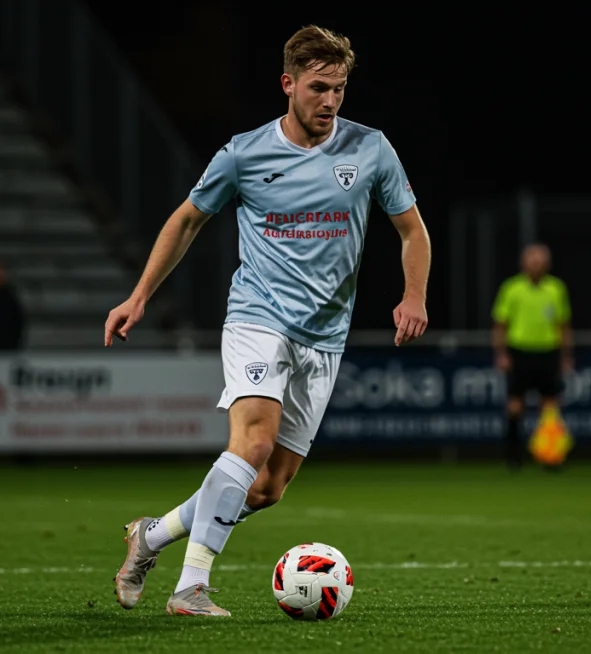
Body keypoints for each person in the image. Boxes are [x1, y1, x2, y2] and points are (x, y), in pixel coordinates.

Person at [103, 25, 431, 617]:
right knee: (252, 439)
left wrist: (414, 296)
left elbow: (412, 230)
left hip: (325, 337)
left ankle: (149, 537)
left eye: (339, 89)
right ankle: (191, 586)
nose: (329, 101)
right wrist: (140, 295)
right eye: (317, 88)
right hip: (259, 316)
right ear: (289, 84)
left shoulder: (370, 148)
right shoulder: (244, 153)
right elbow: (186, 220)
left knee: (266, 488)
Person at [491, 244, 573, 468]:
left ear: (547, 264)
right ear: (523, 263)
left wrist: (566, 356)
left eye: (540, 260)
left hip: (548, 352)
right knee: (516, 406)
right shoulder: (512, 288)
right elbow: (500, 324)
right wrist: (501, 353)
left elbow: (563, 325)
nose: (536, 264)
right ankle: (514, 455)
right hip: (520, 352)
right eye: (532, 260)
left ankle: (551, 456)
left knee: (550, 406)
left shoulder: (556, 289)